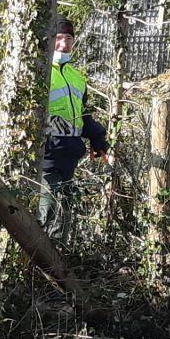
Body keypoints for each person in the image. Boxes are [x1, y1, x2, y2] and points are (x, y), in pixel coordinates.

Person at [40, 18, 109, 232]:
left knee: (65, 214)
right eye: (58, 38)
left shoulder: (76, 77)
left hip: (69, 156)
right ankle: (38, 262)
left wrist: (98, 139)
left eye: (68, 38)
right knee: (46, 214)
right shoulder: (39, 72)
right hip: (46, 156)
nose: (63, 44)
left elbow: (83, 116)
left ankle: (59, 260)